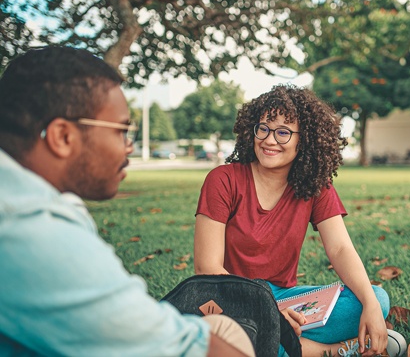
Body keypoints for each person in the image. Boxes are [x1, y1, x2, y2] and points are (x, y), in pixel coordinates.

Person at [0, 46, 255, 357]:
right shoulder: (32, 229)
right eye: (121, 131)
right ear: (63, 137)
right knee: (226, 335)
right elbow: (188, 348)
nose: (129, 147)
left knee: (223, 328)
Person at [194, 84, 407, 357]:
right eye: (264, 128)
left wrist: (370, 306)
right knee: (231, 335)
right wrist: (269, 313)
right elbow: (207, 268)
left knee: (376, 298)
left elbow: (340, 248)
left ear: (303, 139)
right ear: (252, 130)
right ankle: (334, 351)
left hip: (285, 300)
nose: (270, 140)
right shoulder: (223, 180)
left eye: (283, 132)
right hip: (230, 300)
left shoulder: (315, 186)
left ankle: (275, 344)